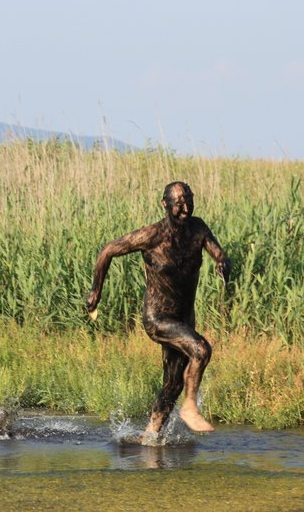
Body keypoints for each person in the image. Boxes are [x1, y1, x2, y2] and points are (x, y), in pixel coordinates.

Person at [86, 181, 230, 435]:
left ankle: (150, 435)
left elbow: (219, 253)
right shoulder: (152, 236)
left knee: (173, 383)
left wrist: (222, 263)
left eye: (189, 201)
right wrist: (96, 290)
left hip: (184, 318)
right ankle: (190, 407)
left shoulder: (198, 229)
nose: (185, 208)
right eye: (178, 204)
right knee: (201, 350)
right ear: (165, 205)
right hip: (158, 318)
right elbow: (108, 251)